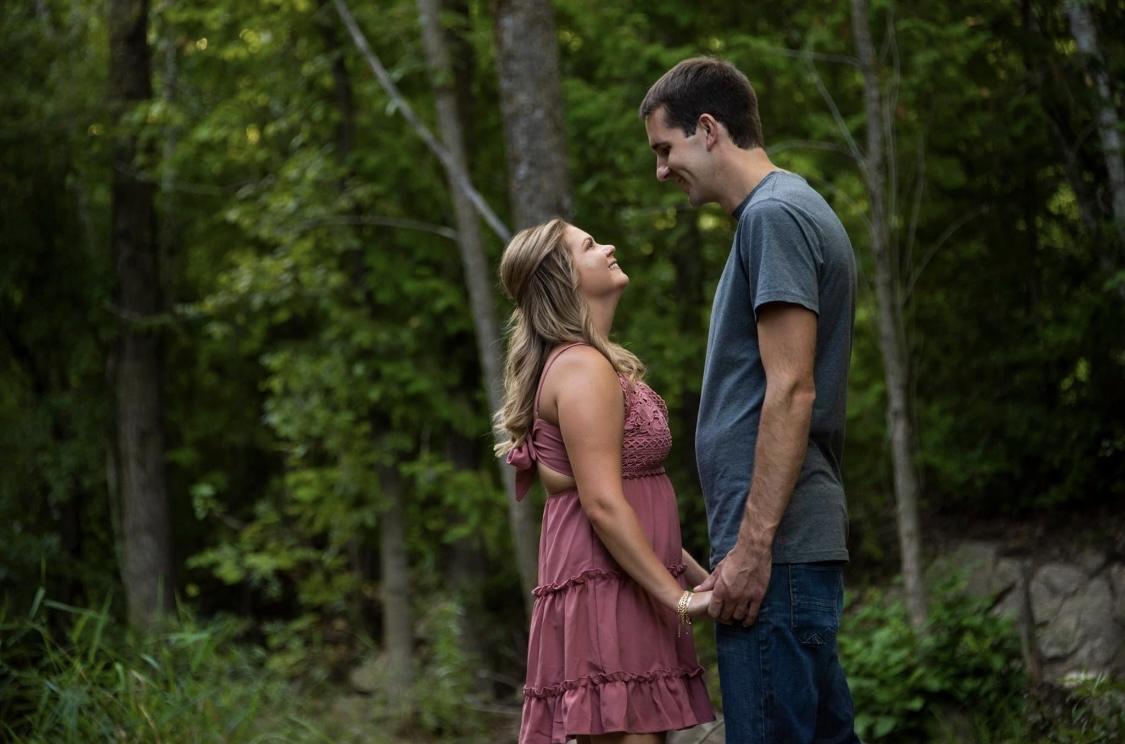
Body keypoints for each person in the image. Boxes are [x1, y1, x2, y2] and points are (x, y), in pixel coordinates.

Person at [640, 57, 861, 743]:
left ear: (708, 129)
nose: (661, 170)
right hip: (784, 557)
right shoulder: (780, 212)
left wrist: (752, 548)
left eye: (665, 149)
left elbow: (791, 388)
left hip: (777, 559)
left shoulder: (773, 216)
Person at [494, 218, 716, 744]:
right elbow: (602, 505)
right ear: (564, 278)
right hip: (608, 589)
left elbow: (626, 501)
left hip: (626, 581)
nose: (609, 246)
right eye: (590, 246)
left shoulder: (590, 362)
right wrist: (680, 600)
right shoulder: (581, 367)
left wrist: (696, 576)